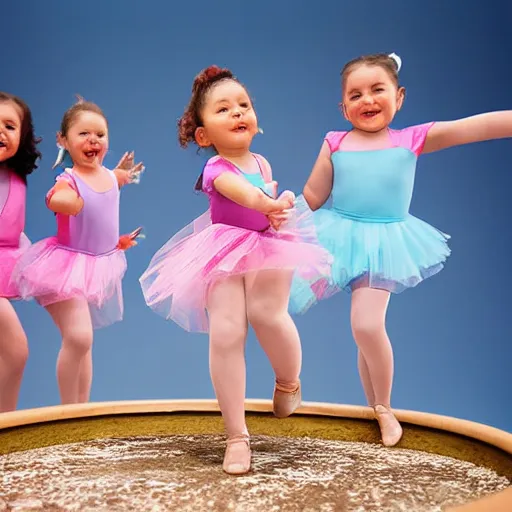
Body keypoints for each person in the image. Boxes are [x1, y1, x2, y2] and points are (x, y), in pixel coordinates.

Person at [296, 52, 512, 447]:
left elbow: (473, 128)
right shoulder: (335, 142)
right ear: (343, 107)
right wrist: (279, 218)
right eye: (356, 95)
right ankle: (375, 406)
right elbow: (313, 194)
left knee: (365, 324)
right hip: (336, 237)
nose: (368, 100)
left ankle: (385, 407)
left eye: (378, 90)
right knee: (361, 331)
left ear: (400, 97)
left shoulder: (410, 139)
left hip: (384, 243)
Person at [140, 65, 333, 475]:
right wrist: (267, 204)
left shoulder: (261, 161)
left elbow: (263, 193)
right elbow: (241, 193)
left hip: (269, 247)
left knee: (267, 314)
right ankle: (236, 436)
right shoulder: (216, 169)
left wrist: (275, 214)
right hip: (221, 249)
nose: (238, 113)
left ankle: (288, 380)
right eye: (223, 109)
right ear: (204, 135)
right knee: (227, 333)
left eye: (243, 105)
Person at [12, 97, 144, 405]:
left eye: (100, 134)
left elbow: (115, 185)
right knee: (79, 337)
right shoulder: (68, 179)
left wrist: (128, 173)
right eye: (83, 133)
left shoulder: (110, 177)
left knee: (85, 343)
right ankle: (67, 411)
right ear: (63, 141)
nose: (93, 140)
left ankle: (81, 410)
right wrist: (67, 202)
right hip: (64, 268)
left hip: (99, 264)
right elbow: (56, 198)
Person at [0, 92, 41, 412]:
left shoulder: (15, 177)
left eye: (10, 126)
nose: (1, 132)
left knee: (15, 352)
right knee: (15, 349)